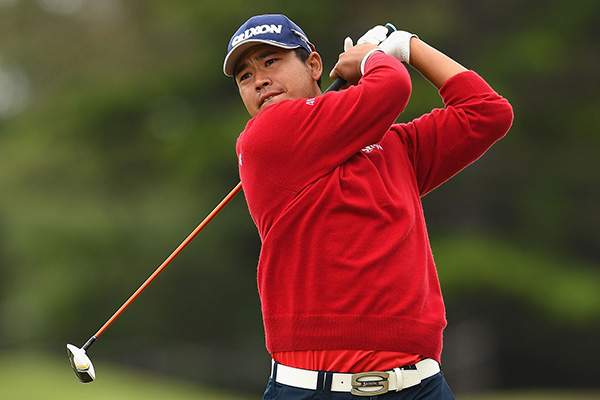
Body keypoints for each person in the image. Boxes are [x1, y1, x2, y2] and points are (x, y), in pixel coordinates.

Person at [223, 14, 513, 399]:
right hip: (314, 388)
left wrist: (409, 46)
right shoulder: (265, 135)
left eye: (271, 61)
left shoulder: (394, 146)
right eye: (245, 76)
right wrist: (371, 58)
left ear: (314, 65)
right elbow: (392, 85)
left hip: (419, 385)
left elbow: (487, 112)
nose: (259, 79)